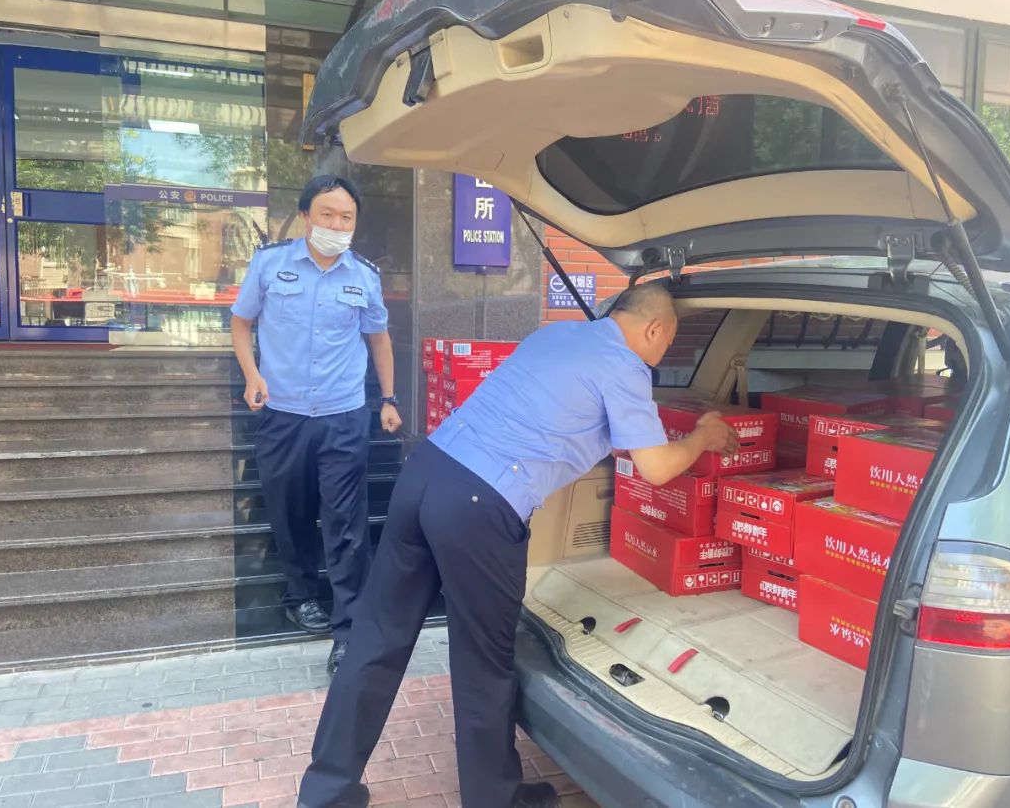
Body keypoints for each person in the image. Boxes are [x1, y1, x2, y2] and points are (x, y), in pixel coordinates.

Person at [296, 282, 738, 808]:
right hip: (479, 506)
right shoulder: (625, 366)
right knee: (483, 663)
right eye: (668, 340)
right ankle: (494, 800)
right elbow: (657, 467)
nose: (665, 351)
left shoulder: (557, 334)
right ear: (654, 328)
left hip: (424, 472)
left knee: (376, 639)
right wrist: (703, 437)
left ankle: (325, 792)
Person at [230, 175, 402, 677]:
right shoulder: (270, 264)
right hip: (281, 413)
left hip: (343, 414)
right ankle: (301, 595)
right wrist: (252, 375)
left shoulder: (364, 276)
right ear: (306, 216)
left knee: (347, 524)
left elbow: (379, 340)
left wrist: (388, 399)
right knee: (291, 512)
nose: (337, 224)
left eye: (347, 217)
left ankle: (349, 629)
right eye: (327, 214)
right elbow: (241, 323)